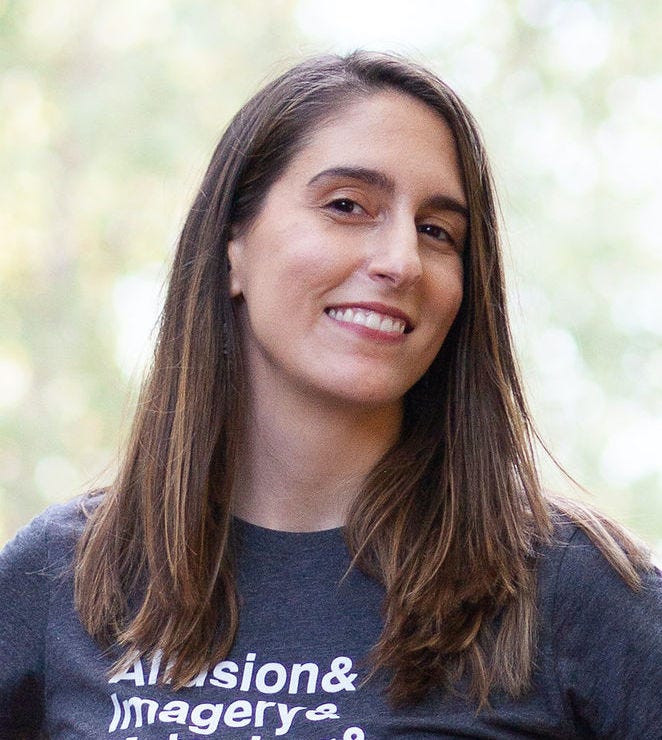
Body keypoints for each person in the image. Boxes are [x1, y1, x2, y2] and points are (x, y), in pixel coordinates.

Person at [1, 51, 660, 739]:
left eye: (438, 232)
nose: (402, 260)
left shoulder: (566, 590)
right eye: (348, 206)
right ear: (234, 247)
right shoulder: (62, 580)